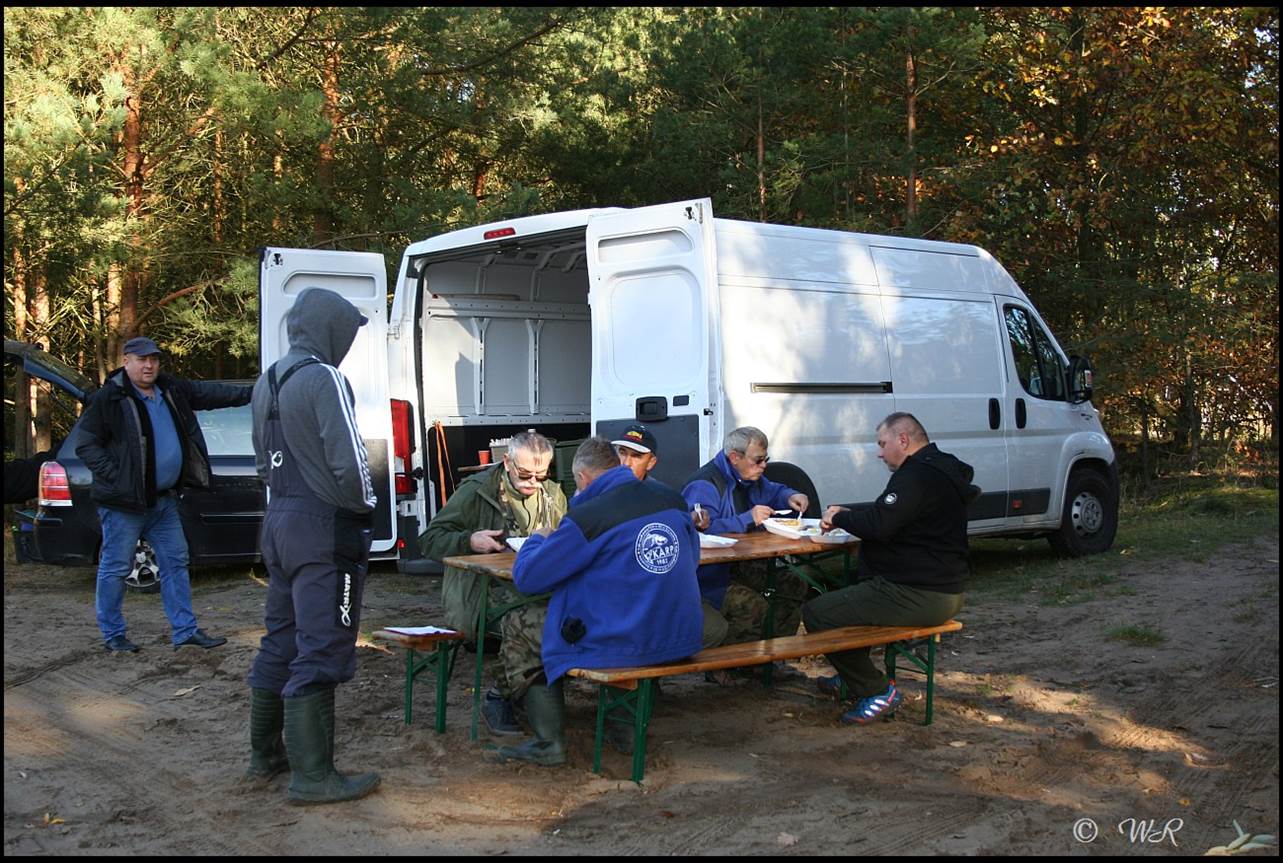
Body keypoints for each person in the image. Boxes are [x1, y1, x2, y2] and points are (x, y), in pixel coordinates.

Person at [245, 287, 380, 805]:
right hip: (323, 529)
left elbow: (261, 460)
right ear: (330, 329)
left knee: (281, 638)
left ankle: (266, 756)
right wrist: (361, 508)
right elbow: (349, 459)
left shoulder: (268, 379)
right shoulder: (324, 378)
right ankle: (314, 777)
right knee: (322, 645)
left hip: (278, 520)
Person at [493, 437, 703, 766]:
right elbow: (691, 561)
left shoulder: (589, 517)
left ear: (583, 478)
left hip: (627, 641)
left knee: (520, 624)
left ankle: (549, 743)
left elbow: (529, 578)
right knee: (628, 614)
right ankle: (624, 731)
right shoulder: (672, 500)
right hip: (679, 633)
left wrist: (536, 540)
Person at [76, 336, 249, 653]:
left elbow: (212, 393)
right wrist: (119, 477)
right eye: (141, 359)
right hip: (123, 505)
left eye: (154, 359)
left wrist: (255, 390)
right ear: (126, 360)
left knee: (176, 563)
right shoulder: (109, 398)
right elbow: (86, 444)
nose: (149, 365)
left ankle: (185, 632)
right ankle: (113, 635)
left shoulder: (171, 390)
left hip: (164, 501)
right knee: (115, 567)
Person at [802, 412, 977, 726]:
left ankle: (876, 690)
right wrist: (851, 513)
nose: (879, 452)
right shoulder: (940, 467)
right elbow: (892, 513)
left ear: (904, 440)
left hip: (918, 592)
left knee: (819, 613)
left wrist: (838, 516)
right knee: (852, 597)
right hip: (946, 588)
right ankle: (853, 676)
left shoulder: (916, 476)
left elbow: (880, 525)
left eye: (882, 444)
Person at [417, 430, 568, 736]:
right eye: (525, 474)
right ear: (508, 462)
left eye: (542, 475)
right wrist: (469, 540)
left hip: (535, 588)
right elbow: (429, 540)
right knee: (531, 623)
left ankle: (530, 693)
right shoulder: (476, 491)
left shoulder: (553, 495)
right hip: (478, 594)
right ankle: (500, 696)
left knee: (566, 619)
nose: (533, 484)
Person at [681, 426, 810, 646]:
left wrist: (790, 495)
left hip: (744, 563)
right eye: (758, 460)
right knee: (750, 605)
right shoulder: (705, 485)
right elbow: (698, 531)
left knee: (794, 584)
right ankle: (732, 668)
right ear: (734, 458)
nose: (764, 466)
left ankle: (773, 657)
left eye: (765, 459)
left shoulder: (749, 476)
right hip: (710, 576)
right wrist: (747, 518)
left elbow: (774, 491)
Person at [612, 422, 725, 649]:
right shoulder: (597, 489)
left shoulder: (664, 497)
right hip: (616, 592)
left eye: (636, 456)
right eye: (622, 453)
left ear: (651, 462)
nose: (626, 462)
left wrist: (692, 520)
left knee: (715, 626)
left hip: (655, 590)